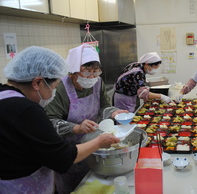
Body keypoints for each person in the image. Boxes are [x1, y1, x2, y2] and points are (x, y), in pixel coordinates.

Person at [0, 46, 120, 194]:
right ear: (38, 83)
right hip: (23, 185)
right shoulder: (27, 110)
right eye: (54, 86)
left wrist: (114, 113)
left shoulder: (4, 96)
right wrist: (98, 141)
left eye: (95, 72)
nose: (53, 92)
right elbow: (61, 157)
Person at [45, 44, 128, 194]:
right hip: (70, 151)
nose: (92, 78)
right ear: (73, 71)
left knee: (98, 183)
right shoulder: (61, 88)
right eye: (86, 72)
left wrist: (114, 113)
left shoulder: (98, 83)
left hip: (96, 145)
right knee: (75, 188)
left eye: (95, 72)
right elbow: (49, 122)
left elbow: (104, 106)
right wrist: (75, 128)